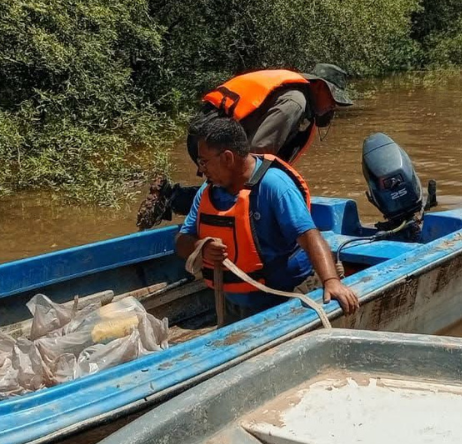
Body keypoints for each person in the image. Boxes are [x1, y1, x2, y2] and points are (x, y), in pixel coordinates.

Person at [175, 114, 360, 323]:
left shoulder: (274, 185)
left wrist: (331, 281)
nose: (200, 169)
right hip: (233, 302)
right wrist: (200, 246)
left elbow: (309, 236)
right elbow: (181, 240)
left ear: (227, 158)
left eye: (204, 161)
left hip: (286, 294)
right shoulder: (209, 191)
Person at [137, 64, 354, 229]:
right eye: (332, 98)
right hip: (211, 141)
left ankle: (170, 197)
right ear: (317, 86)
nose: (332, 106)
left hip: (211, 138)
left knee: (237, 189)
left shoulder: (297, 99)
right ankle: (176, 201)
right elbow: (259, 150)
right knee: (240, 191)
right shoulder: (295, 102)